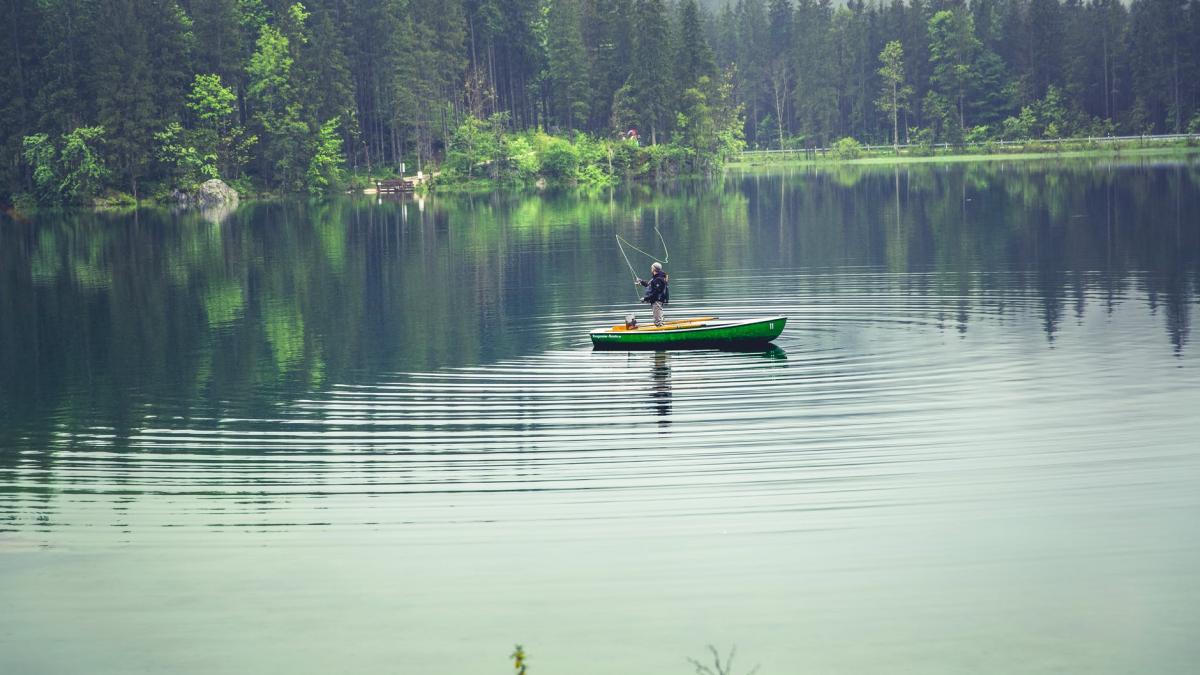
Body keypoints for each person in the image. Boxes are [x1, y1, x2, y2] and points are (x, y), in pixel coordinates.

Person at [636, 262, 669, 326]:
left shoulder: (658, 279)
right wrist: (641, 281)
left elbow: (656, 294)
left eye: (651, 267)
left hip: (657, 301)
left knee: (658, 322)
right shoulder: (657, 278)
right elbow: (650, 286)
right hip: (657, 300)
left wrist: (645, 299)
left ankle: (661, 332)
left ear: (654, 269)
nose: (651, 269)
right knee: (659, 319)